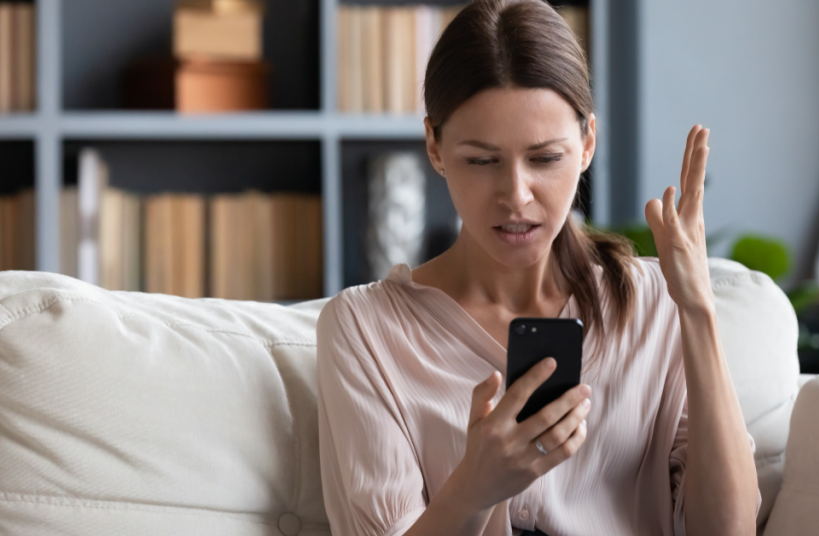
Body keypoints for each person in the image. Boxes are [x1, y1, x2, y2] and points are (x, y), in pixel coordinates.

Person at [316, 0, 760, 534]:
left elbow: (728, 529)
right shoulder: (365, 329)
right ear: (434, 146)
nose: (516, 195)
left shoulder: (654, 304)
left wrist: (698, 311)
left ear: (587, 143)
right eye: (481, 161)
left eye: (546, 158)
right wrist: (473, 489)